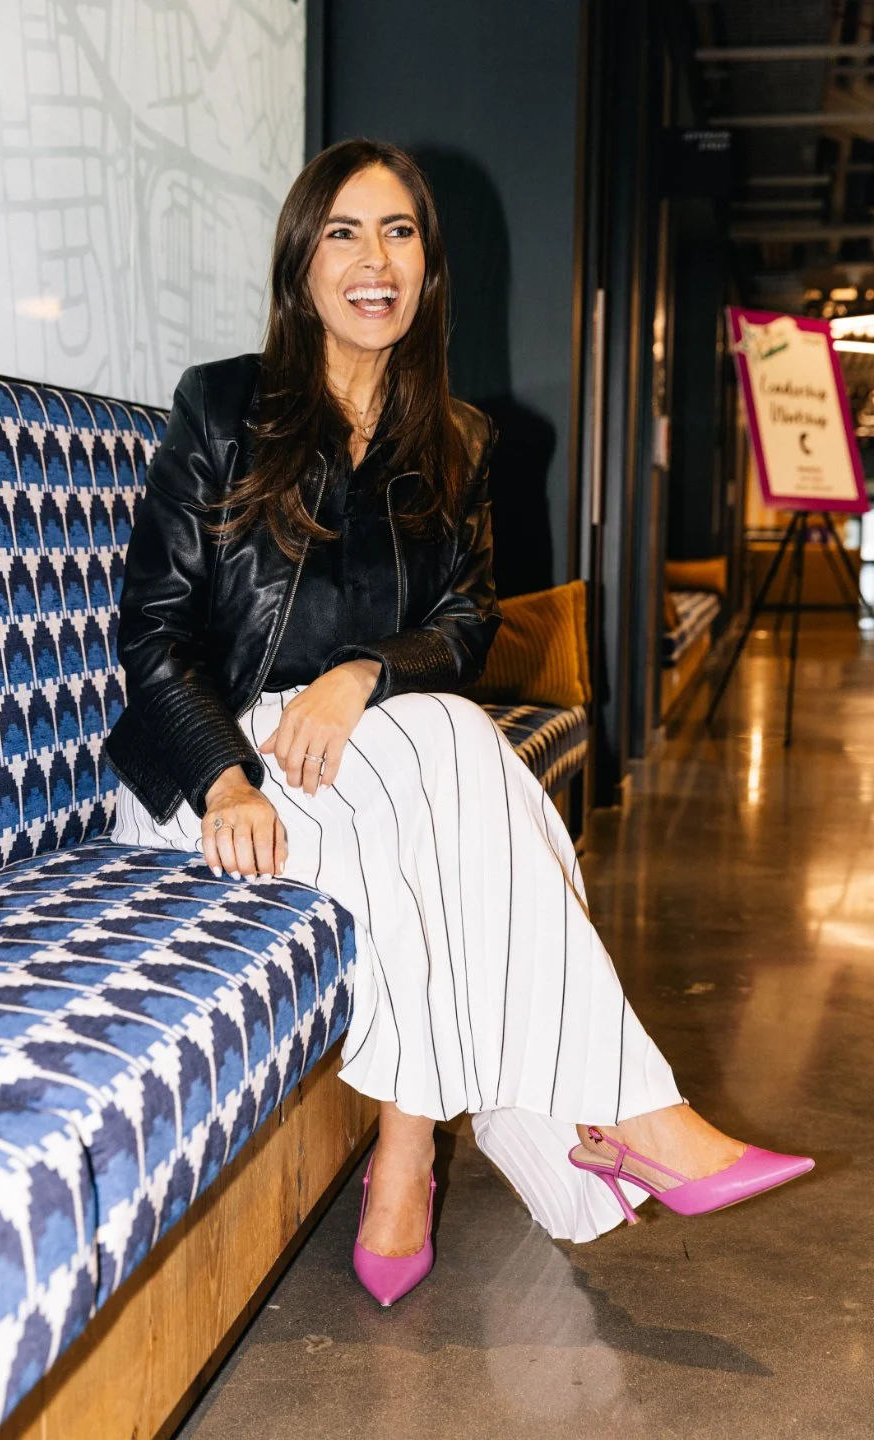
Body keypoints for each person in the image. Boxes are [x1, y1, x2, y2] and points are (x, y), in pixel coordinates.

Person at [105, 138, 813, 1308]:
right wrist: (226, 780)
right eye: (343, 232)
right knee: (459, 762)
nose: (374, 259)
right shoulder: (222, 405)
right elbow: (154, 632)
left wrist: (358, 674)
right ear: (300, 267)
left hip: (375, 747)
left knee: (442, 751)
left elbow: (467, 625)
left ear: (430, 270)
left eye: (400, 233)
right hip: (214, 770)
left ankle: (410, 1155)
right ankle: (611, 1116)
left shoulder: (463, 442)